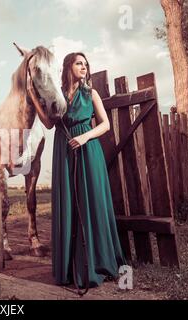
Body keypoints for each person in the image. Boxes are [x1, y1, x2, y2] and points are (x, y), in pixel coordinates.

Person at [28, 52, 127, 293]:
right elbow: (50, 124)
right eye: (78, 63)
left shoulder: (90, 94)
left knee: (91, 202)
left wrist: (84, 137)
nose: (83, 67)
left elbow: (105, 124)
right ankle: (70, 268)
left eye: (85, 64)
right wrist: (33, 96)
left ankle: (97, 262)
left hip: (88, 151)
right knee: (68, 205)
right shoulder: (57, 94)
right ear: (68, 67)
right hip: (63, 151)